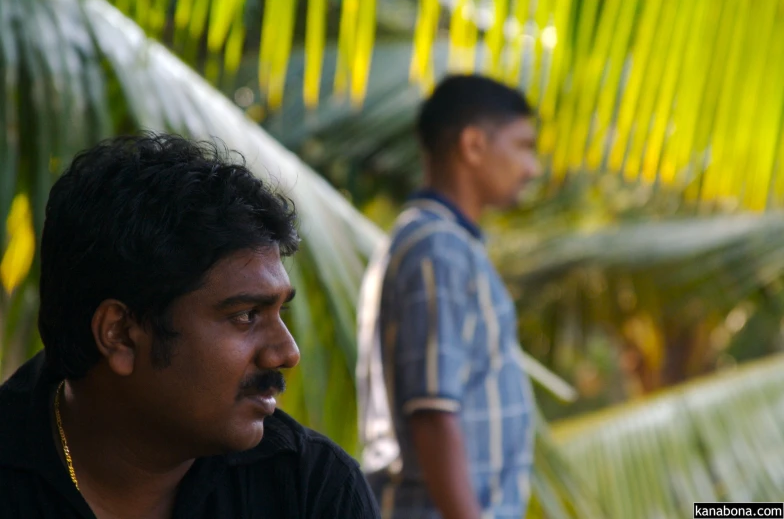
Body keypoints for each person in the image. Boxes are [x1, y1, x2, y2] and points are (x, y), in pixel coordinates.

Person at [0, 133, 380, 519]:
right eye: (246, 315)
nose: (287, 353)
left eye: (279, 312)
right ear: (120, 334)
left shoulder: (311, 490)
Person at [356, 75, 541, 519]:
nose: (532, 167)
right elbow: (433, 413)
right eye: (523, 146)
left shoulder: (442, 242)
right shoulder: (437, 247)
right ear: (474, 145)